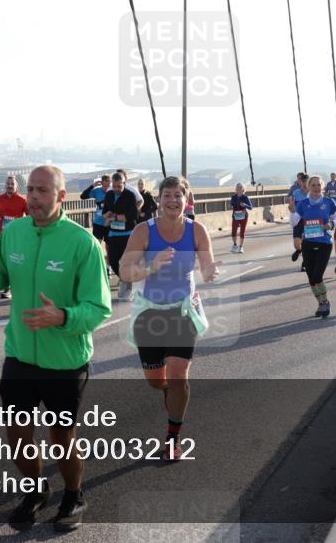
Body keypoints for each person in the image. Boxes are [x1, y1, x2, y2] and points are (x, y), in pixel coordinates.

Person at [0, 165, 111, 532]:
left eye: (42, 190)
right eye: (30, 189)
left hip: (65, 360)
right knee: (18, 439)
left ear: (61, 196)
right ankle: (35, 491)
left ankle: (74, 494)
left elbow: (99, 308)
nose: (33, 196)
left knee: (62, 439)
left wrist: (61, 316)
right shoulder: (14, 232)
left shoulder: (83, 244)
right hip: (19, 354)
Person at [119, 175, 219, 462]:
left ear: (187, 200)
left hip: (182, 311)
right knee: (156, 381)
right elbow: (125, 272)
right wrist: (151, 265)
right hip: (149, 311)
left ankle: (173, 438)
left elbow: (207, 264)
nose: (173, 201)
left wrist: (210, 272)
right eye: (168, 196)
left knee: (178, 378)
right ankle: (169, 395)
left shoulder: (197, 230)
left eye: (179, 195)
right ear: (159, 199)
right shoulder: (144, 231)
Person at [292, 175, 336, 318]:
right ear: (308, 187)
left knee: (317, 276)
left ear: (323, 186)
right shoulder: (302, 203)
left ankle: (325, 302)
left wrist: (331, 224)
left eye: (319, 185)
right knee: (311, 278)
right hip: (308, 243)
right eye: (313, 185)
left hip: (324, 243)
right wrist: (292, 211)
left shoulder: (329, 202)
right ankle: (321, 303)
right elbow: (294, 222)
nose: (316, 187)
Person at [0, 174, 28, 299]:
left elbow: (30, 216)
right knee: (4, 262)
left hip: (18, 237)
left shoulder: (22, 200)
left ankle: (16, 284)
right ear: (5, 186)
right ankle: (8, 288)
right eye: (8, 184)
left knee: (15, 261)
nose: (10, 186)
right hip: (4, 235)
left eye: (12, 184)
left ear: (17, 186)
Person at [103, 172, 140, 301]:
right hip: (113, 233)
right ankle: (125, 279)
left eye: (119, 186)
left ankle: (127, 286)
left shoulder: (130, 196)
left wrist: (116, 217)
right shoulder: (108, 195)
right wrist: (108, 215)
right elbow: (104, 212)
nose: (117, 189)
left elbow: (133, 215)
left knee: (125, 261)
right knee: (112, 261)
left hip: (127, 234)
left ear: (124, 184)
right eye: (114, 186)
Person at [80, 174, 111, 245]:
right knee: (96, 244)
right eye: (105, 186)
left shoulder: (112, 191)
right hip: (98, 223)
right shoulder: (97, 190)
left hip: (109, 223)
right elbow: (83, 196)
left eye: (108, 186)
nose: (106, 188)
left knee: (109, 245)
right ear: (101, 183)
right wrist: (92, 186)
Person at [288, 173, 309, 265]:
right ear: (300, 182)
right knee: (297, 244)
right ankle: (299, 250)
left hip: (309, 220)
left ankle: (305, 262)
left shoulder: (313, 193)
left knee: (306, 242)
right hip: (298, 219)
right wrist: (291, 207)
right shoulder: (296, 193)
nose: (304, 184)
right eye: (302, 181)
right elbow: (291, 205)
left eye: (306, 182)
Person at [229, 182, 253, 253]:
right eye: (237, 188)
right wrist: (231, 206)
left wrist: (245, 205)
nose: (239, 189)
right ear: (236, 189)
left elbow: (251, 207)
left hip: (243, 216)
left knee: (242, 231)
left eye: (240, 188)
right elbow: (231, 205)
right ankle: (235, 245)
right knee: (233, 231)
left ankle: (241, 247)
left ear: (243, 189)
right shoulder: (233, 197)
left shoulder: (245, 197)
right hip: (235, 216)